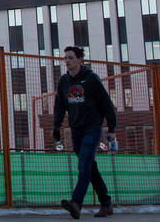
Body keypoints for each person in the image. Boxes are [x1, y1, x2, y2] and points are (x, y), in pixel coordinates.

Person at [52, 46, 116, 219]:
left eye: (70, 57)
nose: (67, 61)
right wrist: (56, 127)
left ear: (79, 60)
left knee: (84, 165)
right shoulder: (64, 81)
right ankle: (106, 204)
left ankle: (76, 203)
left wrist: (112, 128)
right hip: (76, 130)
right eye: (65, 58)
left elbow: (106, 103)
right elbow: (59, 106)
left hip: (92, 129)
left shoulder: (91, 79)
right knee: (90, 168)